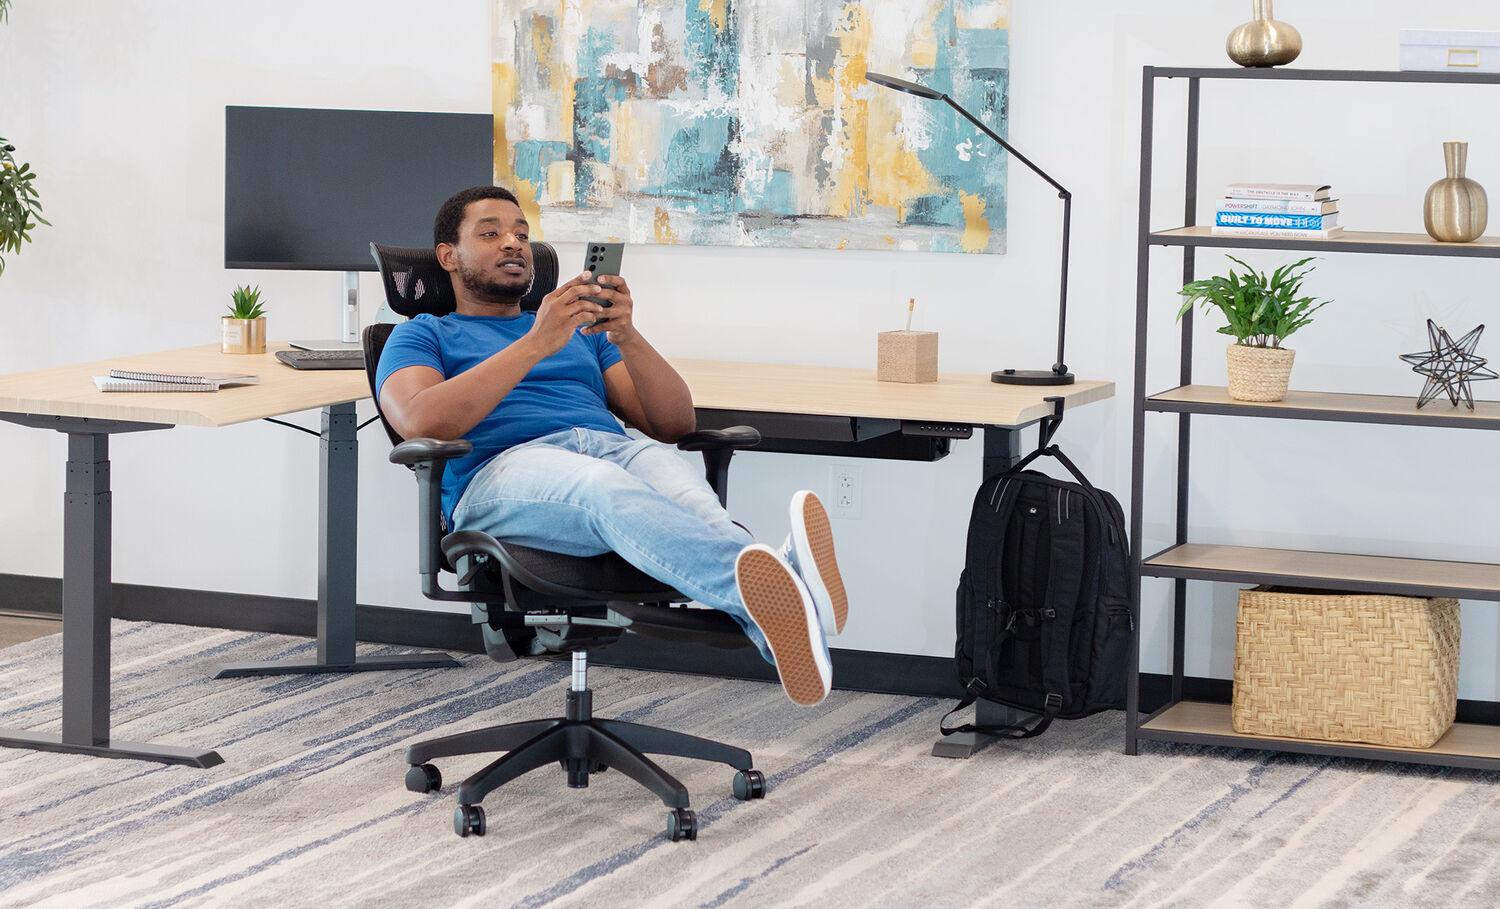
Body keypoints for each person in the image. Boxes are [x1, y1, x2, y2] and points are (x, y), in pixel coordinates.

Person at [375, 185, 848, 706]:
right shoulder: (423, 334)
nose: (512, 243)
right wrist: (536, 342)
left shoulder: (585, 335)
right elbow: (421, 423)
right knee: (602, 487)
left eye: (522, 234)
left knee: (687, 496)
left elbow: (672, 422)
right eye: (490, 233)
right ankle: (786, 594)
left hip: (609, 447)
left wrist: (625, 333)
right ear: (448, 256)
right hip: (501, 473)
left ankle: (780, 609)